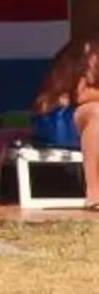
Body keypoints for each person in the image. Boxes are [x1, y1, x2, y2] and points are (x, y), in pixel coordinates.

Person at [32, 38, 99, 208]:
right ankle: (95, 193)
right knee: (96, 112)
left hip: (79, 117)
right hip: (55, 116)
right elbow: (80, 95)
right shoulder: (86, 50)